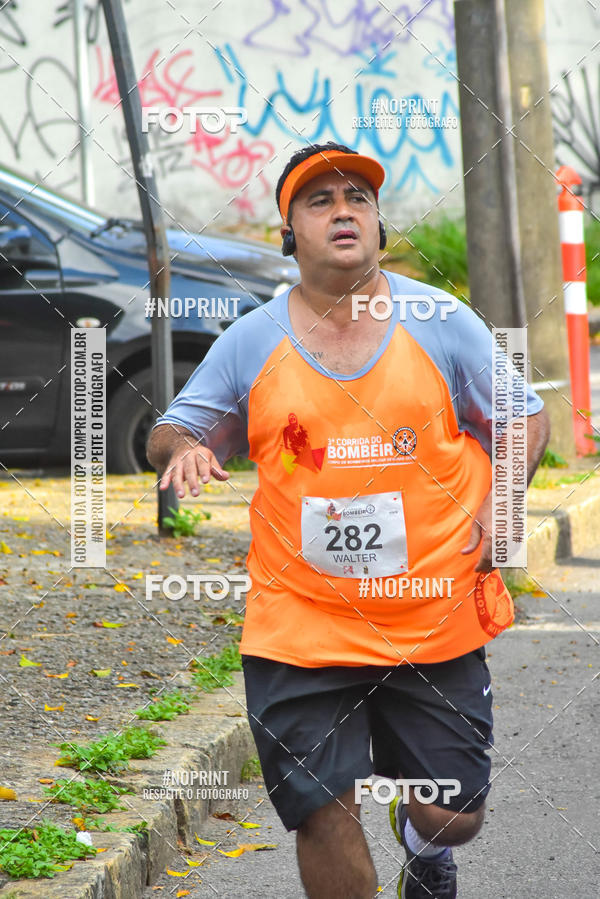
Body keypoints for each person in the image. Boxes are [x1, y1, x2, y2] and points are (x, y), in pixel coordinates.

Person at [147, 141, 550, 898]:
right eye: (320, 200)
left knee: (452, 812)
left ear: (378, 225)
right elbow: (172, 427)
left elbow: (525, 419)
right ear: (288, 232)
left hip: (431, 615)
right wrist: (187, 448)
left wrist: (506, 504)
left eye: (358, 199)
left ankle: (425, 844)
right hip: (299, 623)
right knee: (321, 811)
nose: (344, 211)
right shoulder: (253, 339)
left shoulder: (439, 320)